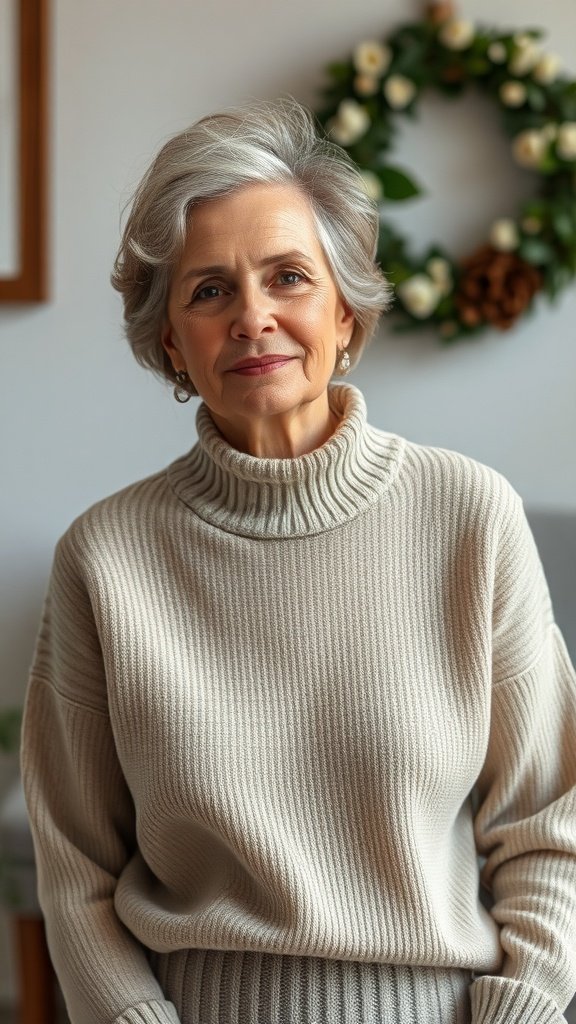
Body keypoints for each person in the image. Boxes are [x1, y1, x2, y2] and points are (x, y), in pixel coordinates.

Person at [21, 97, 576, 1024]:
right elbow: (76, 868)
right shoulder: (105, 558)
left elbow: (551, 823)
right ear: (170, 342)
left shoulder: (470, 517)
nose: (253, 318)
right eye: (209, 291)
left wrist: (521, 1012)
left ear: (348, 313)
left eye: (288, 277)